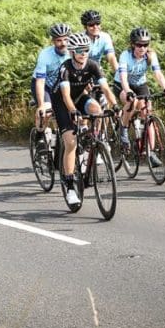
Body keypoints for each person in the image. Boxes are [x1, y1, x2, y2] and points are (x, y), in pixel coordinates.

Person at [53, 32, 117, 207]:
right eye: (80, 50)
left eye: (86, 50)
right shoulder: (66, 68)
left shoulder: (93, 65)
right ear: (72, 52)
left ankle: (94, 141)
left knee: (97, 108)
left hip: (80, 97)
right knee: (71, 143)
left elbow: (105, 87)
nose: (84, 54)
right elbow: (65, 96)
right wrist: (73, 111)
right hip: (62, 103)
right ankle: (70, 186)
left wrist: (115, 105)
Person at [116, 27, 165, 166]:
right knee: (132, 102)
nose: (142, 48)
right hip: (122, 84)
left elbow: (158, 74)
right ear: (132, 44)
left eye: (145, 44)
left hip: (141, 84)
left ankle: (150, 151)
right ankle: (123, 129)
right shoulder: (125, 55)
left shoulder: (150, 55)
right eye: (139, 45)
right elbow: (123, 77)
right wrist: (128, 91)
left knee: (148, 113)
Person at [32, 23, 72, 144]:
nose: (63, 43)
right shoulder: (45, 55)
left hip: (62, 86)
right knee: (46, 110)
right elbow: (40, 82)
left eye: (66, 39)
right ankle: (39, 135)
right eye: (59, 40)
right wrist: (40, 105)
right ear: (53, 41)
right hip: (45, 86)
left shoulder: (73, 53)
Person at [80, 10, 118, 74]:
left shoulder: (105, 37)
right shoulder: (79, 38)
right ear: (85, 27)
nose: (95, 27)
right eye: (91, 25)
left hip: (96, 70)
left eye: (97, 23)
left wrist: (119, 75)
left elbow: (111, 57)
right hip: (80, 70)